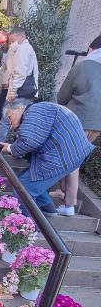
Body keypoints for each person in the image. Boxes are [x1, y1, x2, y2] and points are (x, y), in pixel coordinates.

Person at [0, 99, 95, 216]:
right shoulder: (41, 109)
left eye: (10, 117)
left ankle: (27, 228)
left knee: (23, 190)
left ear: (19, 109)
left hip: (61, 155)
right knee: (28, 179)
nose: (10, 124)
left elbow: (30, 141)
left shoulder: (33, 111)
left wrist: (10, 148)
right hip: (70, 153)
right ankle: (48, 209)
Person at [54, 34, 101, 215]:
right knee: (75, 158)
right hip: (97, 124)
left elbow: (62, 96)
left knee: (72, 161)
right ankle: (63, 192)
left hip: (78, 119)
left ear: (91, 49)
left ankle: (69, 204)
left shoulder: (83, 66)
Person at [0, 27, 38, 144]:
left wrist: (12, 92)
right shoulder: (27, 49)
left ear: (22, 37)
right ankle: (15, 149)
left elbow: (19, 73)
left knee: (6, 120)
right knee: (20, 122)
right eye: (10, 41)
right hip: (26, 91)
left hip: (19, 91)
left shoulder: (23, 49)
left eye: (13, 40)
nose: (11, 44)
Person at [0, 39, 18, 120]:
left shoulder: (7, 55)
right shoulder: (11, 55)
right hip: (8, 82)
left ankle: (3, 119)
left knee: (4, 101)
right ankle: (3, 119)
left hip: (7, 82)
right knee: (6, 102)